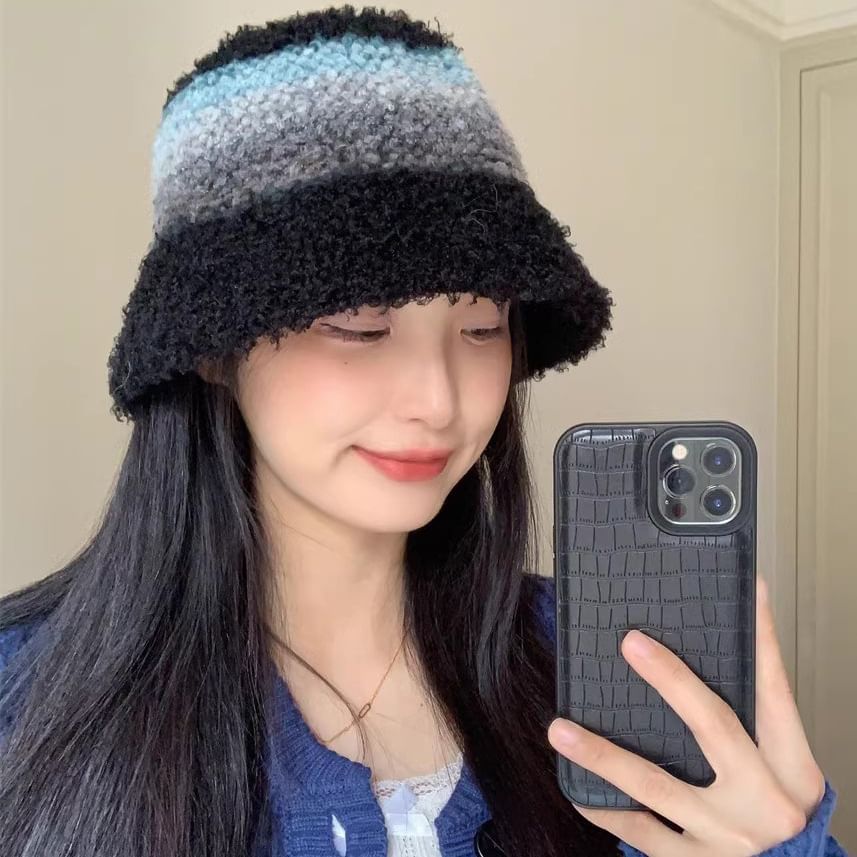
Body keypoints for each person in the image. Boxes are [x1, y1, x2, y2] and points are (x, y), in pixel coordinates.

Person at [0, 5, 847, 856]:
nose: (439, 399)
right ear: (213, 351)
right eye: (360, 325)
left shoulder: (599, 662)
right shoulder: (24, 695)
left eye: (481, 327)